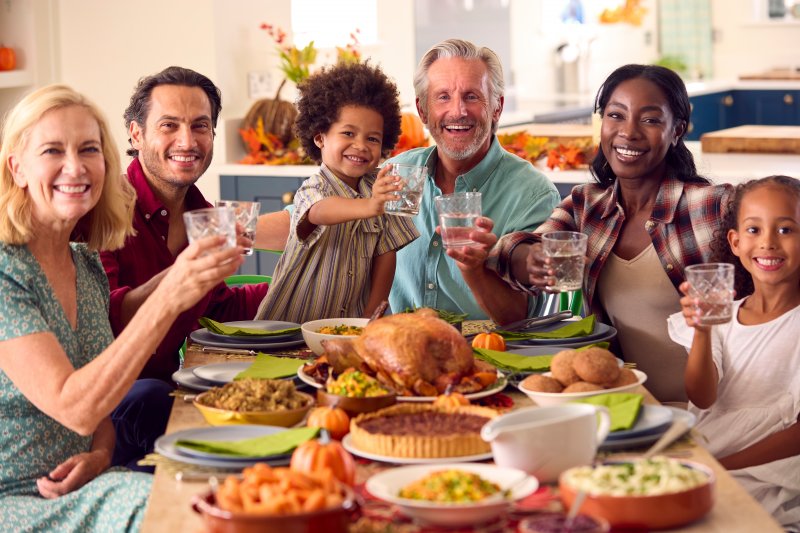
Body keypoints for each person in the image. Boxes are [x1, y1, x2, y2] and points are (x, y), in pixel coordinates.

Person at [0, 85, 243, 530]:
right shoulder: (4, 272)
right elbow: (74, 406)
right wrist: (171, 294)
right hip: (14, 497)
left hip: (87, 481)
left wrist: (100, 454)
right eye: (53, 150)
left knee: (220, 493)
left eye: (89, 149)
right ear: (16, 167)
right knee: (189, 510)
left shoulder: (85, 266)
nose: (75, 166)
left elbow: (103, 411)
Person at [473, 64, 733, 402]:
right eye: (615, 115)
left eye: (650, 120)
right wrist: (532, 259)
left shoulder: (712, 206)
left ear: (677, 131)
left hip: (717, 412)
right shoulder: (588, 206)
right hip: (629, 403)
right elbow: (515, 247)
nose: (629, 132)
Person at [260, 39, 560, 319]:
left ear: (497, 108)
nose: (458, 111)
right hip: (394, 350)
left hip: (487, 355)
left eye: (472, 96)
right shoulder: (395, 174)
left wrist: (475, 270)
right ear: (422, 111)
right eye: (443, 97)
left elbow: (522, 317)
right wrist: (230, 233)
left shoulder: (533, 193)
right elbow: (305, 217)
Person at [99, 66, 268, 384]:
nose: (187, 141)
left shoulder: (202, 212)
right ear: (137, 134)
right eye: (169, 125)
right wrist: (181, 275)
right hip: (110, 396)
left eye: (200, 126)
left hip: (165, 386)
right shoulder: (101, 210)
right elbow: (104, 319)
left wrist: (299, 282)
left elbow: (214, 309)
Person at [667, 176, 800, 530]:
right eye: (754, 230)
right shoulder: (725, 315)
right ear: (736, 242)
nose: (768, 243)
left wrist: (721, 467)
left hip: (766, 479)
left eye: (786, 230)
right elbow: (702, 396)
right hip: (707, 456)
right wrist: (703, 329)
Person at [254, 62, 418, 323]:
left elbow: (386, 256)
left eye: (373, 138)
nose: (361, 145)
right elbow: (319, 211)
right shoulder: (314, 187)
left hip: (347, 327)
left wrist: (369, 318)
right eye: (348, 133)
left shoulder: (381, 187)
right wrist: (369, 206)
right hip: (289, 327)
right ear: (320, 138)